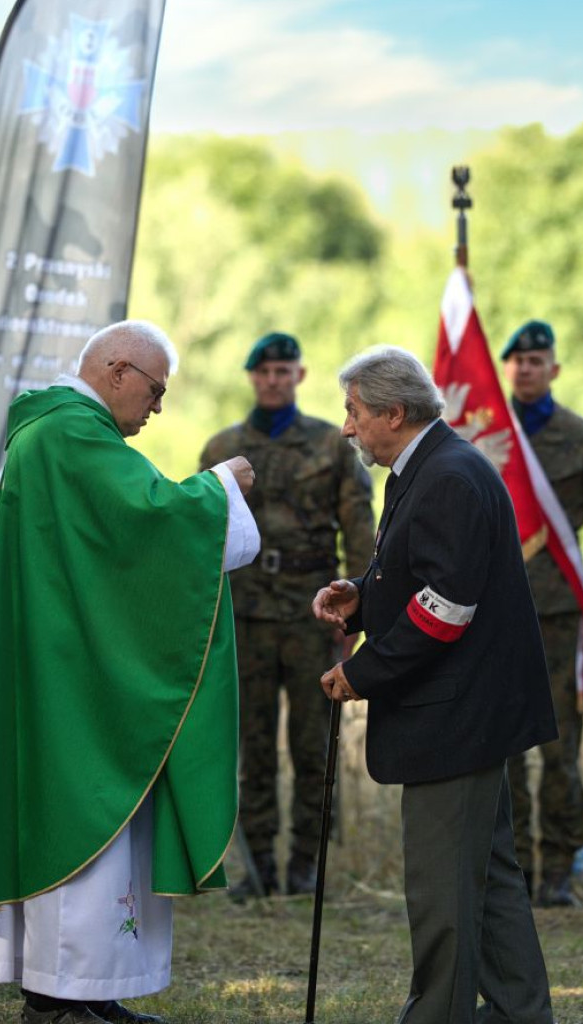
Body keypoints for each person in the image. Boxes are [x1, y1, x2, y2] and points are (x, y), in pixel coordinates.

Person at [0, 320, 260, 1024]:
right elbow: (152, 524)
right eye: (155, 390)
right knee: (86, 832)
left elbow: (116, 545)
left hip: (66, 669)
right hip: (75, 688)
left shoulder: (52, 431)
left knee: (88, 839)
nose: (158, 407)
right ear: (118, 371)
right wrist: (221, 486)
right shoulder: (73, 435)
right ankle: (61, 999)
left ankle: (83, 993)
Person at [313, 345, 557, 1024]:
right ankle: (519, 1013)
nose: (347, 427)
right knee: (491, 879)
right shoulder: (427, 466)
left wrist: (360, 672)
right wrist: (362, 596)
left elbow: (446, 607)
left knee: (443, 888)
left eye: (355, 412)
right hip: (467, 714)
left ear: (395, 412)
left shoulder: (446, 476)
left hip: (454, 719)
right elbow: (422, 575)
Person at [199, 331, 374, 897]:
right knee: (249, 746)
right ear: (252, 377)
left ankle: (305, 866)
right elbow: (198, 532)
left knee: (311, 743)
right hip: (243, 615)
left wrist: (361, 610)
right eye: (264, 371)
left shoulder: (331, 446)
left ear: (299, 376)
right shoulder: (221, 449)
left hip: (311, 614)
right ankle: (258, 867)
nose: (273, 379)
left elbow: (360, 532)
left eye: (284, 371)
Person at [501, 320, 583, 907]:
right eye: (517, 360)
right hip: (495, 613)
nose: (526, 368)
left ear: (554, 368)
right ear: (505, 368)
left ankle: (558, 872)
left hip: (557, 617)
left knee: (558, 748)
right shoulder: (482, 434)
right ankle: (513, 870)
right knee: (502, 748)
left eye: (537, 359)